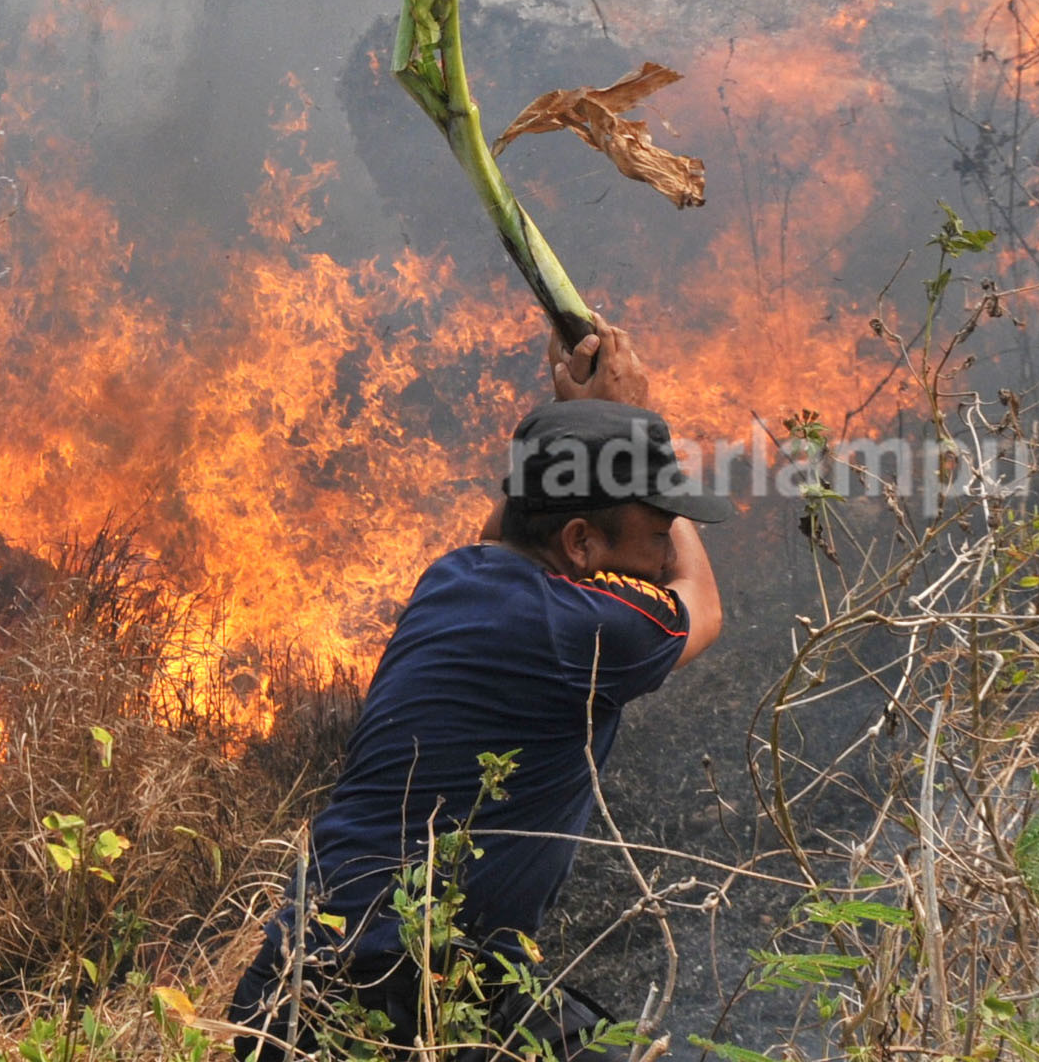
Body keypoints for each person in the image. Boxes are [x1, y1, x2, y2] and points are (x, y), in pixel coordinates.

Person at [229, 322, 727, 1061]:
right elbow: (705, 607)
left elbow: (518, 520)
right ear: (582, 544)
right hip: (409, 992)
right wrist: (629, 427)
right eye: (656, 531)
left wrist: (582, 426)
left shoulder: (456, 576)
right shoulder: (585, 626)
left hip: (295, 983)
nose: (662, 554)